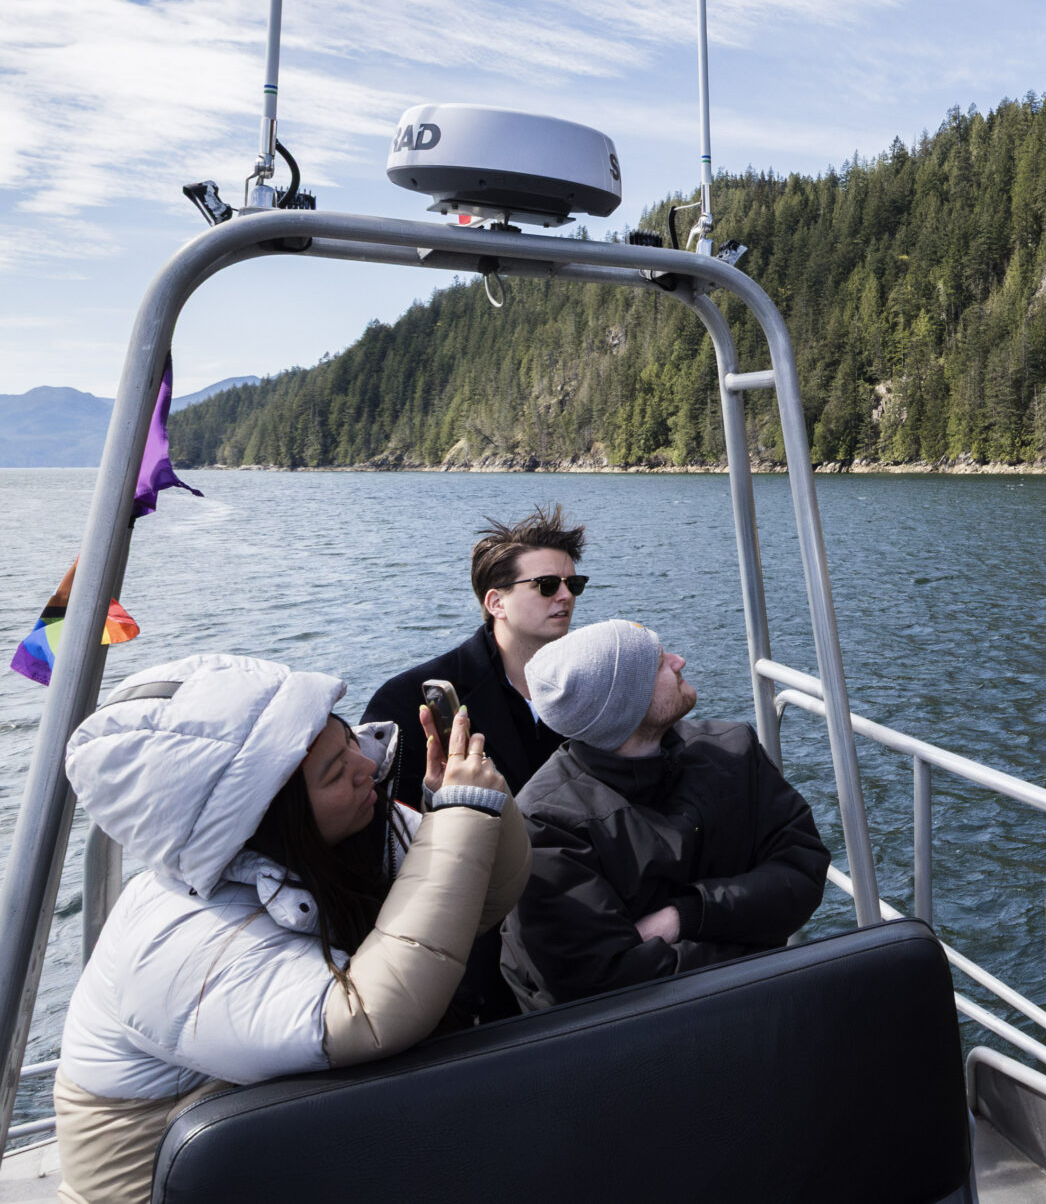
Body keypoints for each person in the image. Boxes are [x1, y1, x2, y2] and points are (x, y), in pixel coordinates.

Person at [54, 653, 529, 1204]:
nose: (365, 765)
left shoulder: (341, 832)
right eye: (334, 770)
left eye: (347, 740)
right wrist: (461, 816)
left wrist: (463, 808)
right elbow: (368, 1016)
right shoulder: (176, 942)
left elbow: (483, 898)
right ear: (267, 816)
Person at [500, 619, 827, 1011]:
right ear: (624, 704)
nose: (679, 661)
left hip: (748, 1006)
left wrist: (686, 915)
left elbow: (803, 869)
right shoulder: (545, 823)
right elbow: (602, 987)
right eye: (658, 664)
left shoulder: (732, 750)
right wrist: (754, 937)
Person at [365, 505, 583, 1025]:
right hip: (481, 940)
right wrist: (437, 799)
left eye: (575, 584)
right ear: (496, 602)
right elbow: (379, 833)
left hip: (580, 908)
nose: (567, 597)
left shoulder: (586, 685)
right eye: (548, 584)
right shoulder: (407, 700)